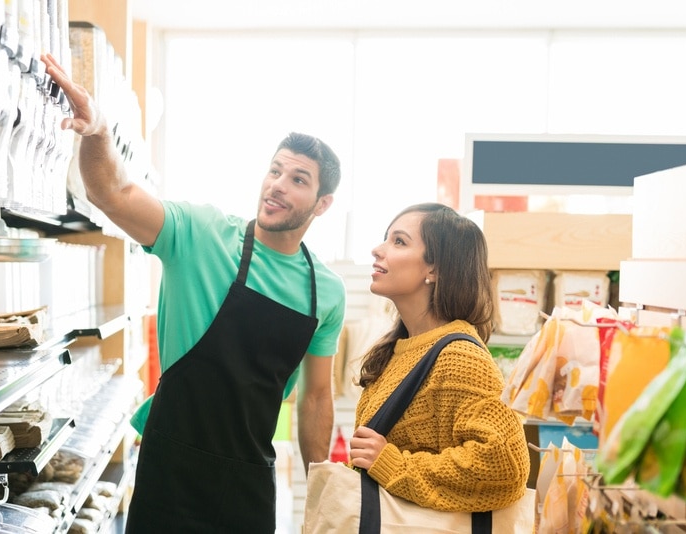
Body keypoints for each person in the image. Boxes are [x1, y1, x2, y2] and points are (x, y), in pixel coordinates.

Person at [40, 53, 347, 533]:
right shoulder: (200, 234)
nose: (278, 186)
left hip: (248, 480)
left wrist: (322, 493)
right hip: (171, 473)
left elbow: (316, 400)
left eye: (298, 180)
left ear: (322, 204)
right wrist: (98, 130)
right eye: (275, 171)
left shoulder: (323, 292)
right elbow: (111, 192)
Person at [349, 202, 530, 514]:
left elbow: (506, 465)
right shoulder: (401, 347)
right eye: (386, 238)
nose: (378, 250)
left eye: (399, 241)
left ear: (434, 269)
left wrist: (392, 464)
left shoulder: (460, 358)